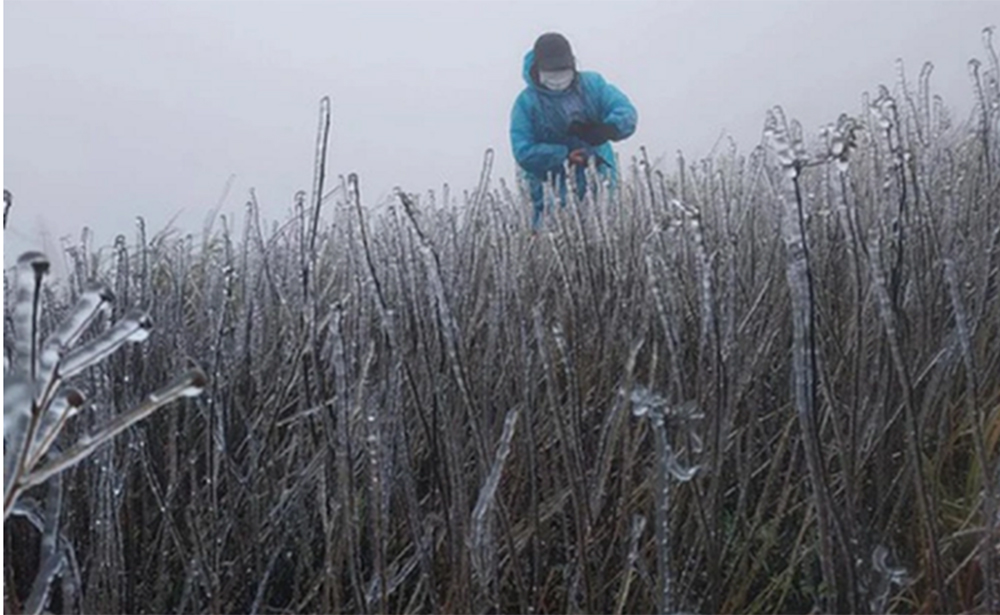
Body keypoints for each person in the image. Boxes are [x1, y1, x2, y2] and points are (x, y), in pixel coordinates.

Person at [510, 32, 638, 229]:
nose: (558, 79)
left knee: (609, 244)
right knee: (557, 251)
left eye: (563, 71)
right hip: (550, 196)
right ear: (537, 70)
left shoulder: (593, 85)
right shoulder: (526, 104)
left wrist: (608, 129)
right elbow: (523, 151)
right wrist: (564, 155)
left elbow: (626, 112)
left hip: (601, 184)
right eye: (551, 74)